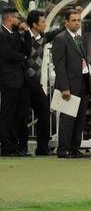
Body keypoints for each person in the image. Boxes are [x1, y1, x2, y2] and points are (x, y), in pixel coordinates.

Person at [51, 8, 91, 158]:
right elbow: (59, 65)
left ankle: (75, 148)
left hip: (83, 83)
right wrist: (64, 87)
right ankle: (63, 149)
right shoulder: (61, 39)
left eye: (78, 20)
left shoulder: (80, 39)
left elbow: (85, 64)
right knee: (68, 119)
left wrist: (90, 85)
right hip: (69, 85)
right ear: (66, 22)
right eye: (73, 20)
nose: (76, 23)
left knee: (80, 119)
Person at [1, 7, 31, 155]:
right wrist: (22, 57)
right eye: (16, 17)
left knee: (17, 114)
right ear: (8, 18)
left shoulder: (16, 34)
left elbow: (27, 51)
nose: (19, 20)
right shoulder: (1, 35)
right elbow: (8, 54)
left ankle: (15, 145)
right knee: (8, 114)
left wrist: (26, 33)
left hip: (19, 80)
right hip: (8, 80)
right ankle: (6, 146)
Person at [23, 10, 51, 155]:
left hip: (35, 84)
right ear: (34, 24)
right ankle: (20, 148)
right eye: (42, 22)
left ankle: (43, 148)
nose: (45, 24)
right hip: (23, 83)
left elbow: (58, 31)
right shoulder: (23, 37)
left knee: (45, 113)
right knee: (21, 116)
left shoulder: (44, 38)